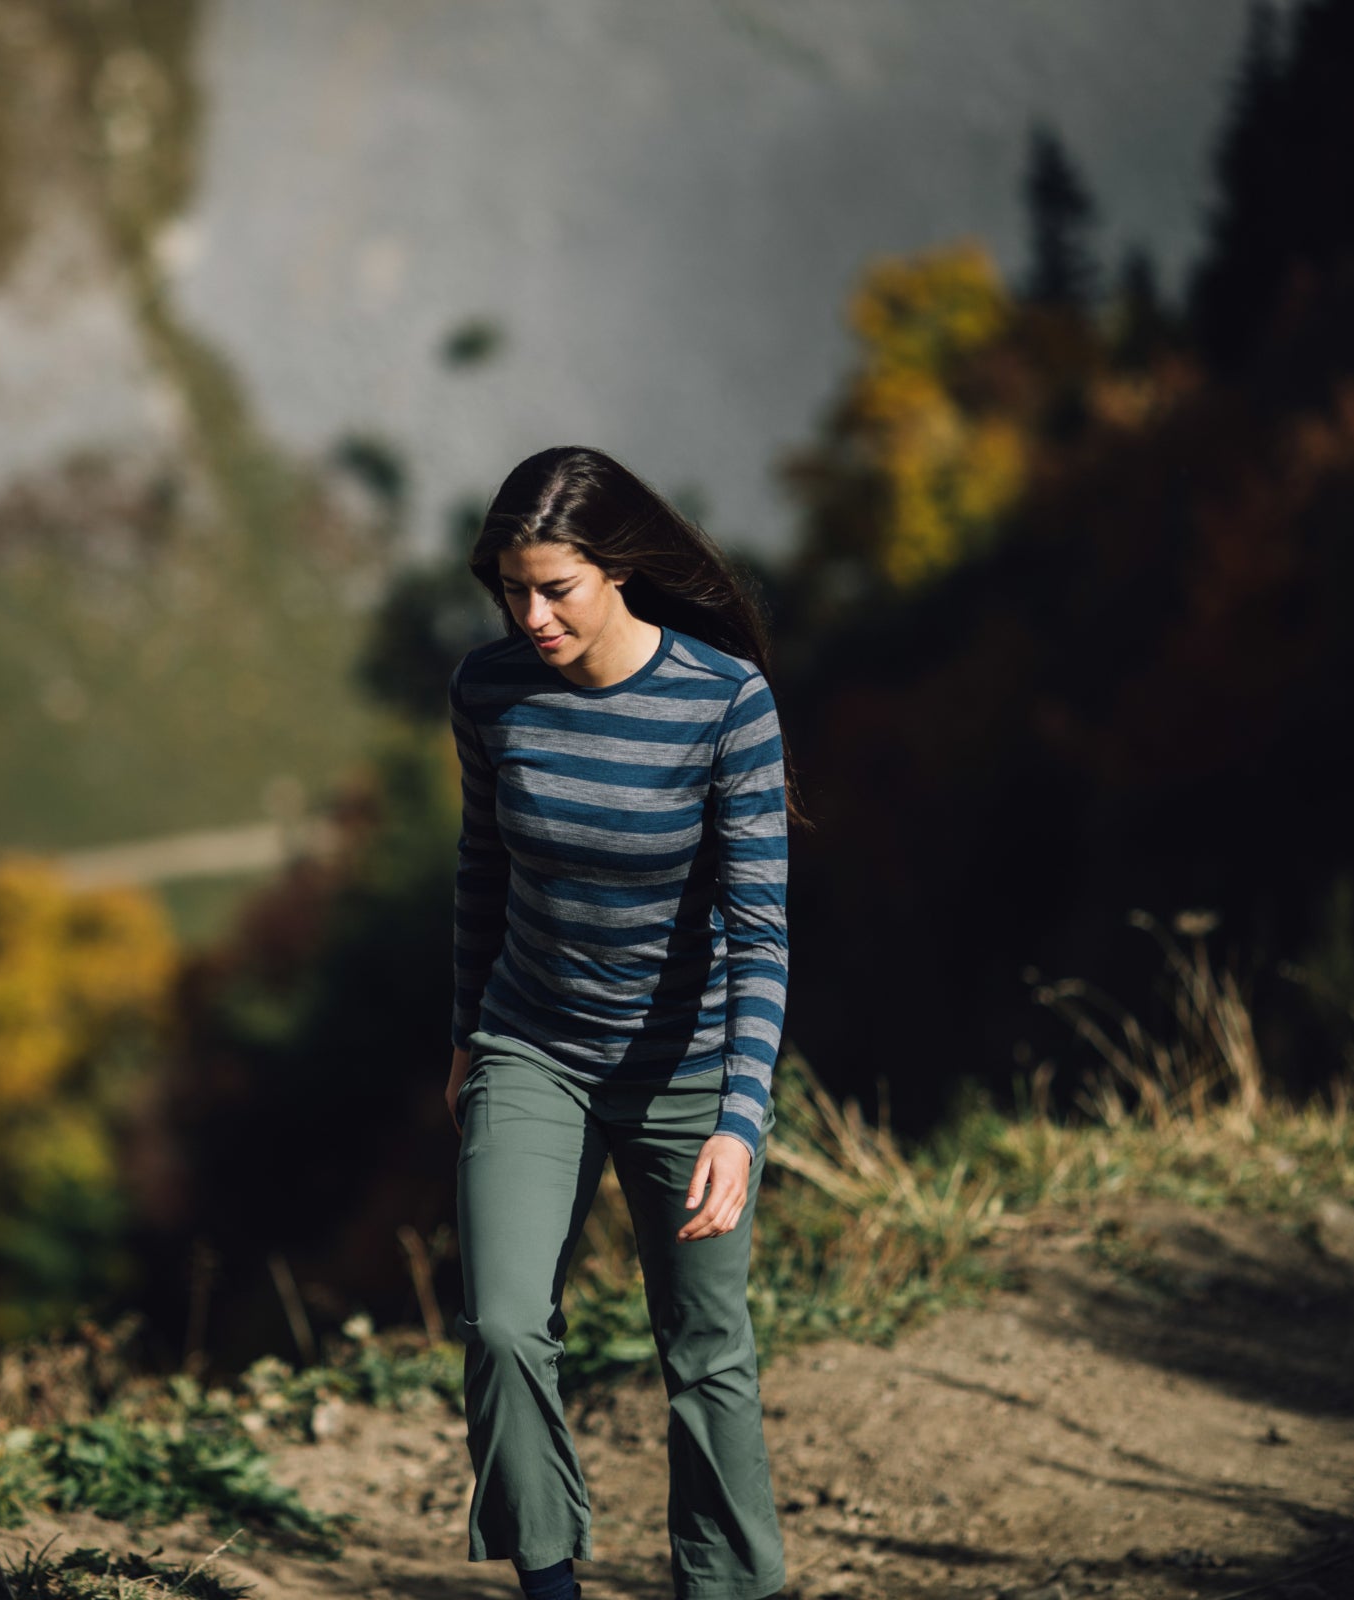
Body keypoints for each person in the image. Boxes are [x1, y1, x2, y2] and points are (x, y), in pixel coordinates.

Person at [445, 445, 799, 1600]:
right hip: (530, 1045)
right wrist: (465, 1039)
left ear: (621, 571)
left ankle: (728, 1588)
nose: (531, 614)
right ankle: (549, 1584)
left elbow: (759, 931)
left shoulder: (725, 702)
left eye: (558, 586)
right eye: (512, 588)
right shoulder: (489, 691)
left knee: (706, 1355)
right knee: (502, 1325)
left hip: (686, 1070)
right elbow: (481, 875)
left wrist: (740, 1121)